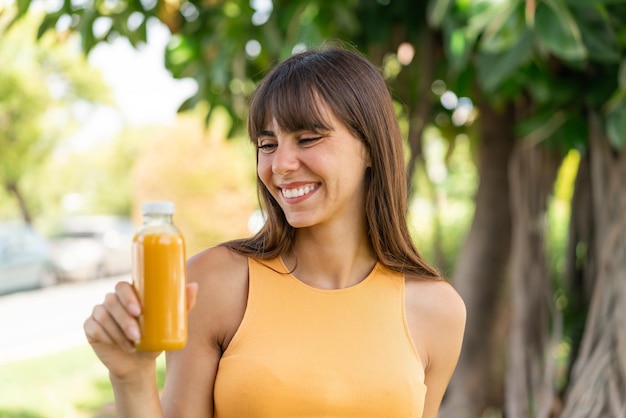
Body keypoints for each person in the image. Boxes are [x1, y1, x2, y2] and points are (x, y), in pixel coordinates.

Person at [84, 45, 466, 418]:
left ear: (370, 146)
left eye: (308, 138)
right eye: (267, 144)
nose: (280, 165)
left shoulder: (438, 311)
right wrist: (132, 377)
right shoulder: (213, 284)